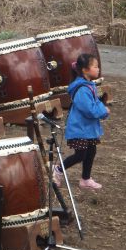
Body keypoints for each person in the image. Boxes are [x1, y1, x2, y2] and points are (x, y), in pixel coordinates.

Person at [52, 54, 109, 190]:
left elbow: (95, 103)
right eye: (95, 66)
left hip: (88, 129)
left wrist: (102, 108)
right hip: (80, 128)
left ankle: (85, 179)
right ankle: (58, 170)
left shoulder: (89, 85)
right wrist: (104, 111)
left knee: (91, 152)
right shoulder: (82, 89)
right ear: (85, 70)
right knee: (80, 155)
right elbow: (89, 110)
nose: (98, 69)